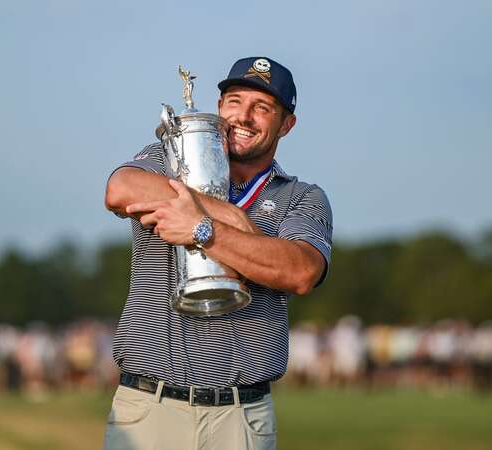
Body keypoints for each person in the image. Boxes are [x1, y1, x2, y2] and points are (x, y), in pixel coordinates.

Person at [103, 56, 333, 450]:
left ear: (286, 124)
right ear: (219, 105)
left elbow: (301, 271)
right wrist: (233, 218)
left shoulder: (301, 197)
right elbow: (121, 189)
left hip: (241, 418)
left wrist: (201, 229)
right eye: (234, 101)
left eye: (262, 108)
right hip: (149, 410)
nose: (243, 117)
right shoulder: (171, 158)